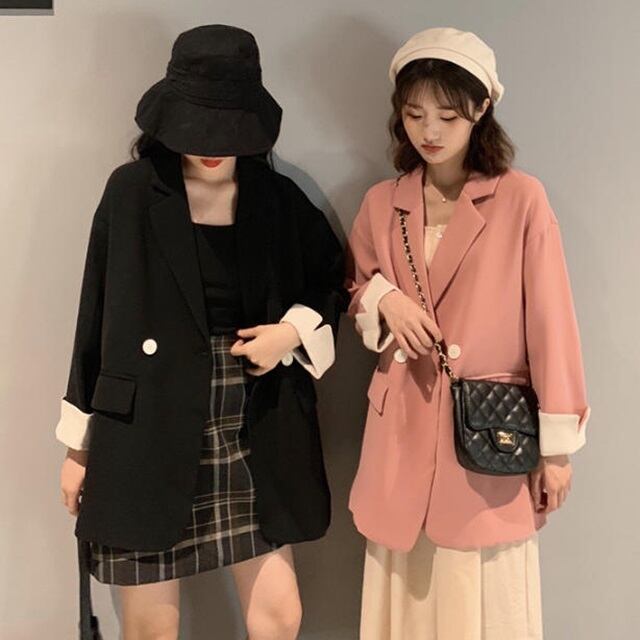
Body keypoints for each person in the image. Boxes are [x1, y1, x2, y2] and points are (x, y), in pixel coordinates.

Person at [56, 24, 348, 640]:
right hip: (147, 425)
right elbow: (95, 317)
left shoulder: (275, 199)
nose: (211, 147)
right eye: (197, 127)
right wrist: (79, 448)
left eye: (225, 129)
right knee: (151, 629)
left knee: (281, 615)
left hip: (251, 420)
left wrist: (290, 334)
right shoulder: (132, 192)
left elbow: (332, 280)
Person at [345, 27, 590, 639]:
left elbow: (552, 323)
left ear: (480, 110)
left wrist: (556, 449)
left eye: (448, 116)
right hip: (401, 428)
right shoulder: (382, 203)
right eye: (414, 114)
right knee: (408, 592)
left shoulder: (520, 199)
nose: (428, 131)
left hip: (487, 435)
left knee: (482, 606)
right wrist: (385, 300)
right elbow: (354, 286)